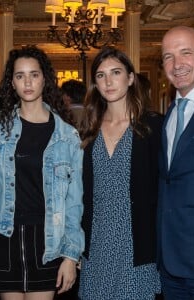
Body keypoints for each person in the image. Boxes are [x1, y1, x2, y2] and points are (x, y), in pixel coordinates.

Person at [0, 46, 84, 300]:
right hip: (4, 235)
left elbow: (74, 203)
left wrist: (71, 255)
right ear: (12, 83)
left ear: (45, 79)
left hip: (48, 239)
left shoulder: (67, 135)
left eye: (34, 75)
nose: (27, 82)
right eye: (19, 76)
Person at [78, 46, 163, 299]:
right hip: (96, 246)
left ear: (130, 78)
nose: (108, 81)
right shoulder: (87, 130)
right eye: (101, 75)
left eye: (116, 72)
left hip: (137, 245)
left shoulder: (153, 126)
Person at [158, 25, 194, 299]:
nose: (176, 64)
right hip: (171, 267)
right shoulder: (169, 113)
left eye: (185, 53)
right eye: (168, 56)